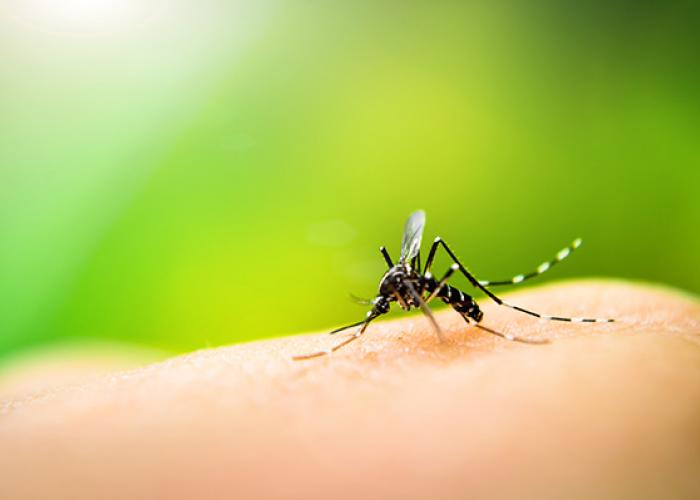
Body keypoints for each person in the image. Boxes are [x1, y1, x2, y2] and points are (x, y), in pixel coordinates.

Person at [1, 281, 699, 499]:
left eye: (384, 302)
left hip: (471, 307)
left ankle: (501, 323)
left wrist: (461, 318)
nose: (384, 303)